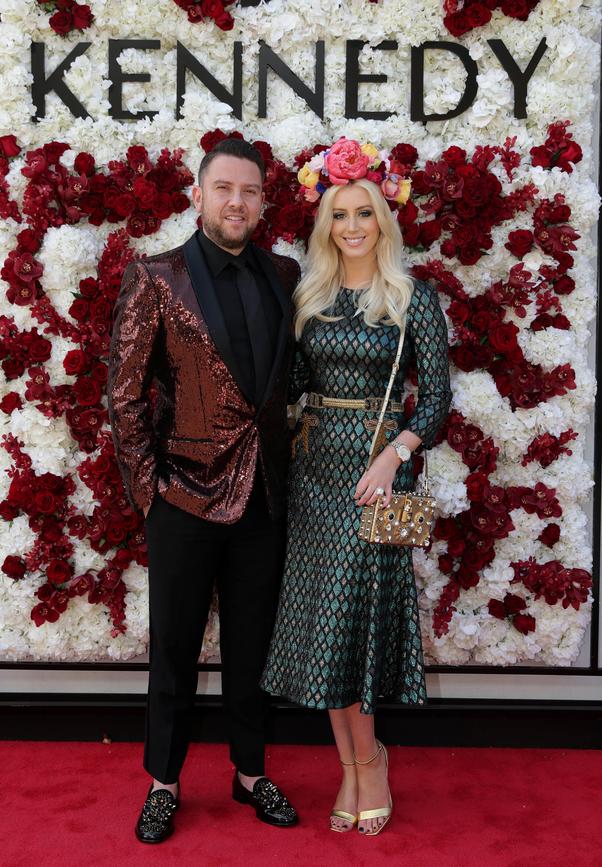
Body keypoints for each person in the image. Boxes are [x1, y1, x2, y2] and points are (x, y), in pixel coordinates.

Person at [108, 137, 299, 843]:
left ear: (262, 201)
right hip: (182, 497)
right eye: (224, 188)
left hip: (264, 500)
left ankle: (250, 773)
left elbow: (285, 383)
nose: (237, 202)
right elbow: (123, 395)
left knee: (253, 646)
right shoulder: (157, 276)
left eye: (249, 191)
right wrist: (150, 490)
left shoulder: (282, 271)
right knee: (175, 650)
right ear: (198, 194)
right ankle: (164, 781)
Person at [261, 139, 452, 836]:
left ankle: (371, 762)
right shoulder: (309, 296)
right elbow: (298, 386)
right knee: (326, 630)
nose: (350, 226)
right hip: (315, 476)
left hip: (373, 478)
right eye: (339, 214)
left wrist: (395, 454)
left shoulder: (411, 298)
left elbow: (435, 400)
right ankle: (351, 766)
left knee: (355, 626)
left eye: (363, 213)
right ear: (325, 223)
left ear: (383, 221)